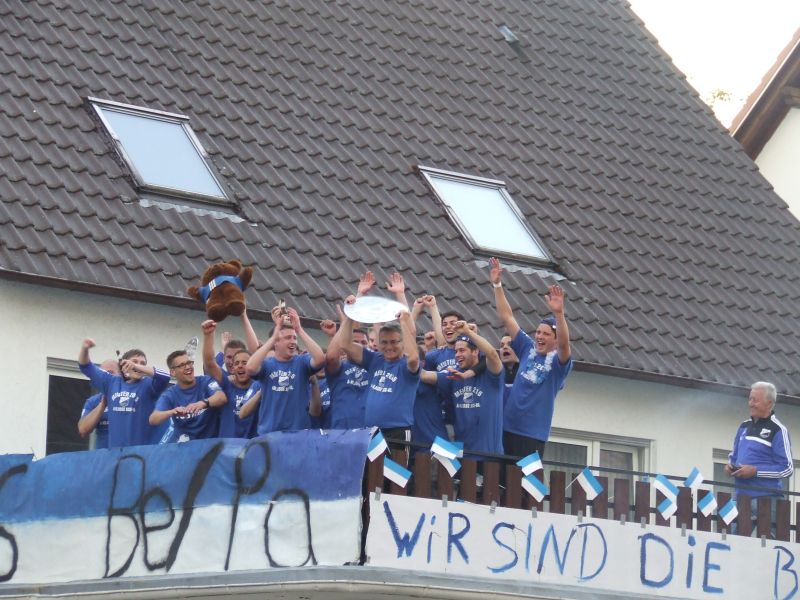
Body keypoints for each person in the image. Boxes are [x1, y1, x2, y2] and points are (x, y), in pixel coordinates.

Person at [490, 257, 572, 458]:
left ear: (554, 339)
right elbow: (507, 317)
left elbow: (564, 345)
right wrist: (497, 285)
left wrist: (559, 314)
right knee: (500, 477)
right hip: (507, 428)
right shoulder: (527, 348)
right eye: (538, 332)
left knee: (525, 479)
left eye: (546, 334)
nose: (540, 336)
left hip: (532, 435)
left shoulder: (557, 364)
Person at [333, 279, 420, 446]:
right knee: (372, 465)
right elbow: (344, 344)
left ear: (403, 343)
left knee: (393, 466)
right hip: (372, 431)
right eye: (384, 342)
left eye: (394, 342)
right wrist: (351, 312)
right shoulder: (375, 359)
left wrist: (403, 322)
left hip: (398, 431)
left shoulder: (407, 365)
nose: (389, 346)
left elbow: (414, 357)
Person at [422, 322, 504, 458]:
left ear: (475, 351)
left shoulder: (490, 374)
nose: (457, 355)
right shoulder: (454, 375)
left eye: (462, 350)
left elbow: (492, 355)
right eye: (456, 351)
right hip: (462, 455)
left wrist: (468, 332)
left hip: (489, 456)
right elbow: (424, 375)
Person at [242, 306, 325, 434]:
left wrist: (299, 329)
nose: (293, 342)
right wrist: (273, 338)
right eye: (288, 338)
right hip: (269, 435)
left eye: (294, 338)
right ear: (276, 342)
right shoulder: (267, 364)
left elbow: (320, 359)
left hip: (298, 434)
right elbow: (250, 368)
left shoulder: (301, 362)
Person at [726, 382, 793, 532]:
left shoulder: (778, 430)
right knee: (730, 541)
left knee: (769, 544)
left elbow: (787, 469)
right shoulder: (743, 426)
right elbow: (734, 457)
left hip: (767, 498)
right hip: (740, 497)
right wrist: (729, 467)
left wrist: (755, 471)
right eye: (750, 399)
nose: (750, 403)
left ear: (769, 403)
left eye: (755, 400)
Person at [78, 340, 171, 447]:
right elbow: (85, 366)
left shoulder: (149, 385)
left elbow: (165, 377)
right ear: (123, 364)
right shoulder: (111, 382)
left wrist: (136, 366)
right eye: (134, 361)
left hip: (141, 453)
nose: (138, 365)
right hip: (115, 453)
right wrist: (85, 348)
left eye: (143, 363)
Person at [150, 350, 227, 441]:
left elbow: (221, 397)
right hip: (186, 447)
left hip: (211, 445)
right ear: (173, 372)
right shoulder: (170, 394)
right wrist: (172, 412)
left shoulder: (205, 381)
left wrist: (203, 403)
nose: (188, 367)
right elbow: (153, 419)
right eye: (182, 365)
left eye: (189, 363)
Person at [202, 320, 260, 438]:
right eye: (237, 363)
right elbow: (209, 362)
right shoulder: (226, 385)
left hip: (251, 447)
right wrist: (208, 335)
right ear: (232, 368)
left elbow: (257, 353)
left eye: (245, 363)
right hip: (226, 447)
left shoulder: (259, 386)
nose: (240, 366)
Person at [322, 315, 370, 429]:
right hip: (342, 432)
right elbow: (331, 357)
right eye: (355, 342)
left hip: (370, 432)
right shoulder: (340, 367)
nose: (360, 345)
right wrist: (345, 323)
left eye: (364, 342)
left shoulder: (375, 367)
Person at [77, 358, 120, 449]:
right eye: (103, 373)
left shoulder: (130, 398)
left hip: (128, 455)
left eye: (110, 372)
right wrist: (102, 404)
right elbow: (83, 430)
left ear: (120, 375)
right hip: (102, 456)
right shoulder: (93, 401)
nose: (106, 376)